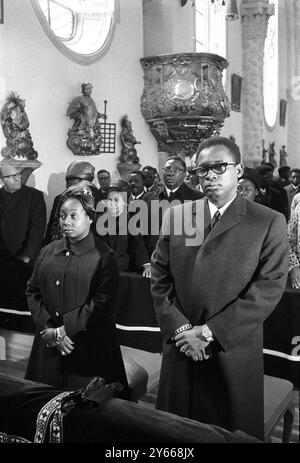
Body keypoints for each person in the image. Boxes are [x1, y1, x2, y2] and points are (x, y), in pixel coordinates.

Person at [151, 136, 288, 440]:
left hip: (230, 349)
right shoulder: (178, 215)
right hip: (181, 345)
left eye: (219, 167)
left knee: (228, 433)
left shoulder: (266, 221)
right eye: (202, 170)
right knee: (173, 436)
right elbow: (160, 276)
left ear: (238, 170)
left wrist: (208, 332)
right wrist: (181, 328)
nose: (209, 175)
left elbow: (267, 288)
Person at [25, 183, 129, 396]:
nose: (66, 222)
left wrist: (64, 331)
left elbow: (101, 303)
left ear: (90, 218)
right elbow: (32, 291)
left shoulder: (104, 256)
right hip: (48, 346)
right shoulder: (48, 251)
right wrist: (49, 329)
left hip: (86, 350)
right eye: (63, 216)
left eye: (74, 216)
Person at [144, 156, 204, 256]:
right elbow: (139, 235)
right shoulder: (149, 198)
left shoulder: (198, 199)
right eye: (167, 169)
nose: (170, 173)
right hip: (152, 261)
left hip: (184, 261)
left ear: (184, 174)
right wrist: (145, 262)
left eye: (175, 170)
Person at [97, 182, 151, 277]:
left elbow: (138, 243)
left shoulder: (131, 219)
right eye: (109, 200)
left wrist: (146, 264)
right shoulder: (101, 220)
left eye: (116, 200)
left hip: (124, 268)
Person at [0, 159, 46, 264]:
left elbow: (37, 228)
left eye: (16, 175)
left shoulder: (34, 196)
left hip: (22, 258)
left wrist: (27, 256)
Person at [44, 160, 96, 245]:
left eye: (76, 185)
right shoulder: (59, 199)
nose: (71, 189)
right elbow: (52, 225)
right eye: (69, 184)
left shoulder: (95, 200)